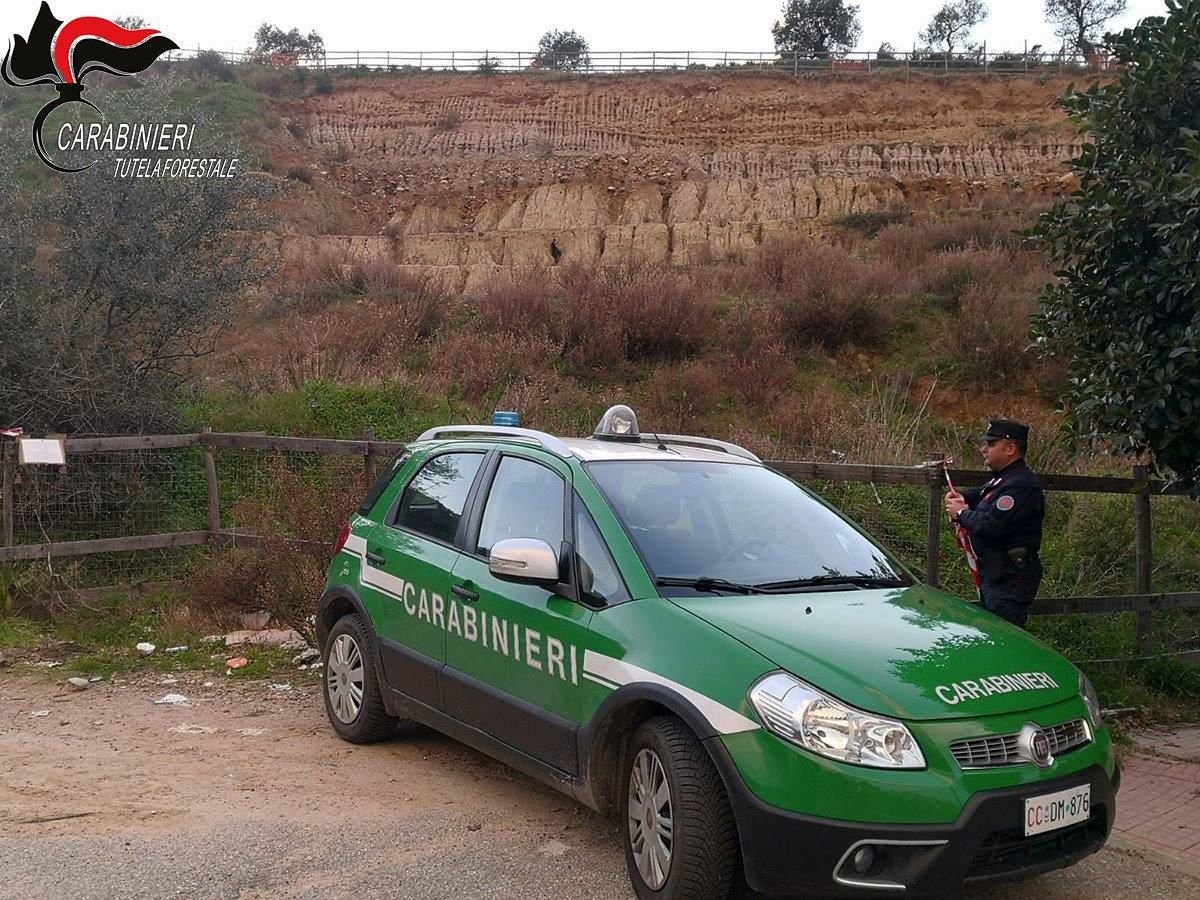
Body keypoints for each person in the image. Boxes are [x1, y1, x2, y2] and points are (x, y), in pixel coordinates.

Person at [945, 419, 1045, 628]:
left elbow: (991, 525)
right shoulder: (1001, 481)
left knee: (1003, 636)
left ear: (1010, 448)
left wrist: (961, 513)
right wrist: (960, 498)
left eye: (991, 444)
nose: (984, 449)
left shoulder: (1021, 485)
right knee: (991, 633)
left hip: (1011, 578)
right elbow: (981, 496)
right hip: (995, 572)